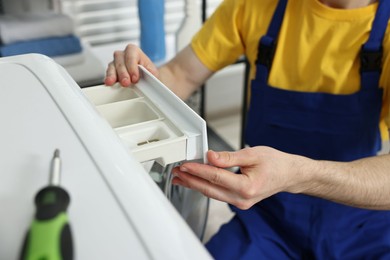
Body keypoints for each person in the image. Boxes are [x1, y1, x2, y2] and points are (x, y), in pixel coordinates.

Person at [105, 0, 390, 258]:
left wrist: (299, 176)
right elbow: (180, 74)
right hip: (267, 221)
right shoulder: (254, 6)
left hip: (362, 225)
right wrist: (141, 79)